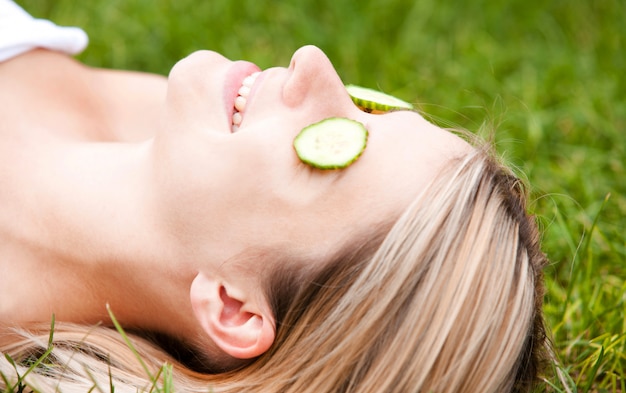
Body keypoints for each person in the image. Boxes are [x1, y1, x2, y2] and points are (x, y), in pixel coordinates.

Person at [0, 1, 551, 392]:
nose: (313, 62)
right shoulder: (158, 119)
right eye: (369, 108)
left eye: (338, 149)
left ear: (234, 308)